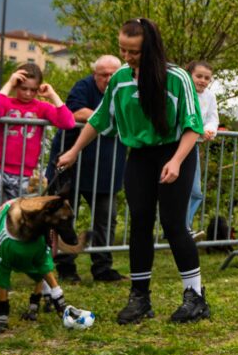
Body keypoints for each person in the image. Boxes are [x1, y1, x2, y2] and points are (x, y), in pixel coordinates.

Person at [56, 18, 208, 324]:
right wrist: (73, 151)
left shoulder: (177, 77)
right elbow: (99, 119)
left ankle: (195, 298)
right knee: (139, 222)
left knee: (173, 223)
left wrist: (177, 161)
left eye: (134, 52)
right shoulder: (121, 79)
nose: (127, 57)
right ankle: (140, 297)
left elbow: (194, 127)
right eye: (123, 50)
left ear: (150, 48)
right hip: (139, 155)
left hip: (176, 151)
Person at [0, 64, 75, 253]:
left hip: (21, 170)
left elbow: (67, 122)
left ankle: (5, 247)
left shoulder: (42, 107)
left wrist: (53, 95)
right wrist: (9, 84)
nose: (28, 93)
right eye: (23, 88)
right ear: (16, 86)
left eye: (33, 89)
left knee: (16, 214)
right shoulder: (6, 102)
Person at [46, 55, 129, 283]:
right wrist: (106, 119)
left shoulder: (126, 90)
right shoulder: (83, 86)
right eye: (104, 75)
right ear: (95, 75)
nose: (109, 78)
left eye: (114, 74)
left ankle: (103, 268)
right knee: (63, 218)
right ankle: (66, 268)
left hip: (107, 168)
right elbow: (75, 113)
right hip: (71, 164)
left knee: (106, 219)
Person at [184, 61, 219, 235]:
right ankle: (176, 227)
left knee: (195, 191)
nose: (203, 81)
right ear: (189, 75)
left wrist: (208, 130)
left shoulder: (210, 96)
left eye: (207, 78)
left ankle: (185, 226)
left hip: (193, 147)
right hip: (174, 145)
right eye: (199, 76)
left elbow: (213, 119)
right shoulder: (181, 91)